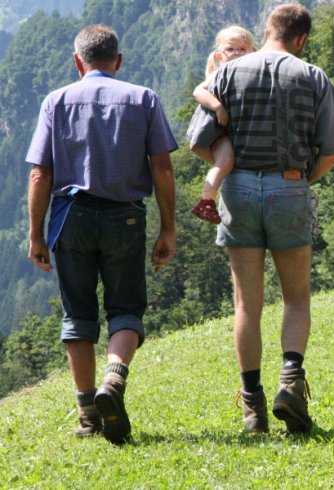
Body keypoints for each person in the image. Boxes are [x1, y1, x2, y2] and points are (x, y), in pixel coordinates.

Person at [187, 3, 334, 434]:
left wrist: (232, 168)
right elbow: (332, 152)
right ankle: (290, 383)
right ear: (301, 39)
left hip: (238, 189)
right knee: (296, 297)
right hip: (289, 186)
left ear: (267, 31)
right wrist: (298, 179)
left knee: (247, 303)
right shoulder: (313, 76)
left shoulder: (227, 73)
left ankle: (252, 407)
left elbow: (197, 142)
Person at [25, 24, 177, 444]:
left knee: (78, 315)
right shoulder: (143, 98)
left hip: (70, 215)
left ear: (79, 62)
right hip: (124, 217)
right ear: (119, 61)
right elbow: (162, 167)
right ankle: (115, 378)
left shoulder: (56, 101)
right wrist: (168, 227)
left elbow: (41, 172)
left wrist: (36, 234)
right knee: (126, 308)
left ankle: (88, 412)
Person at [188, 25, 254, 225]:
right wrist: (218, 107)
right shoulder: (221, 73)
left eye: (242, 49)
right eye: (231, 49)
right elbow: (198, 91)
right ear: (219, 56)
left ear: (252, 52)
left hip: (226, 131)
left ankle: (222, 178)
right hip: (219, 131)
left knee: (227, 163)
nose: (237, 53)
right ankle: (206, 199)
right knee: (225, 161)